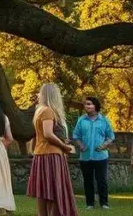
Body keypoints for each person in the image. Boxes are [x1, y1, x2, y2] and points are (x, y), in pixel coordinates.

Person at [27, 83, 77, 216]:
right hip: (51, 155)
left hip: (41, 154)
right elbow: (48, 134)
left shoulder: (40, 111)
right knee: (54, 193)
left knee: (43, 193)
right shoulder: (48, 111)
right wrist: (64, 146)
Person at [72, 96, 115, 210]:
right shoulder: (81, 120)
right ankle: (90, 204)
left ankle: (104, 203)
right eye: (86, 104)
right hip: (85, 157)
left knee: (102, 180)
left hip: (100, 156)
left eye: (89, 104)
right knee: (88, 181)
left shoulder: (104, 120)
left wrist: (104, 145)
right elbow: (76, 135)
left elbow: (111, 136)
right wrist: (80, 145)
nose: (87, 106)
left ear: (95, 106)